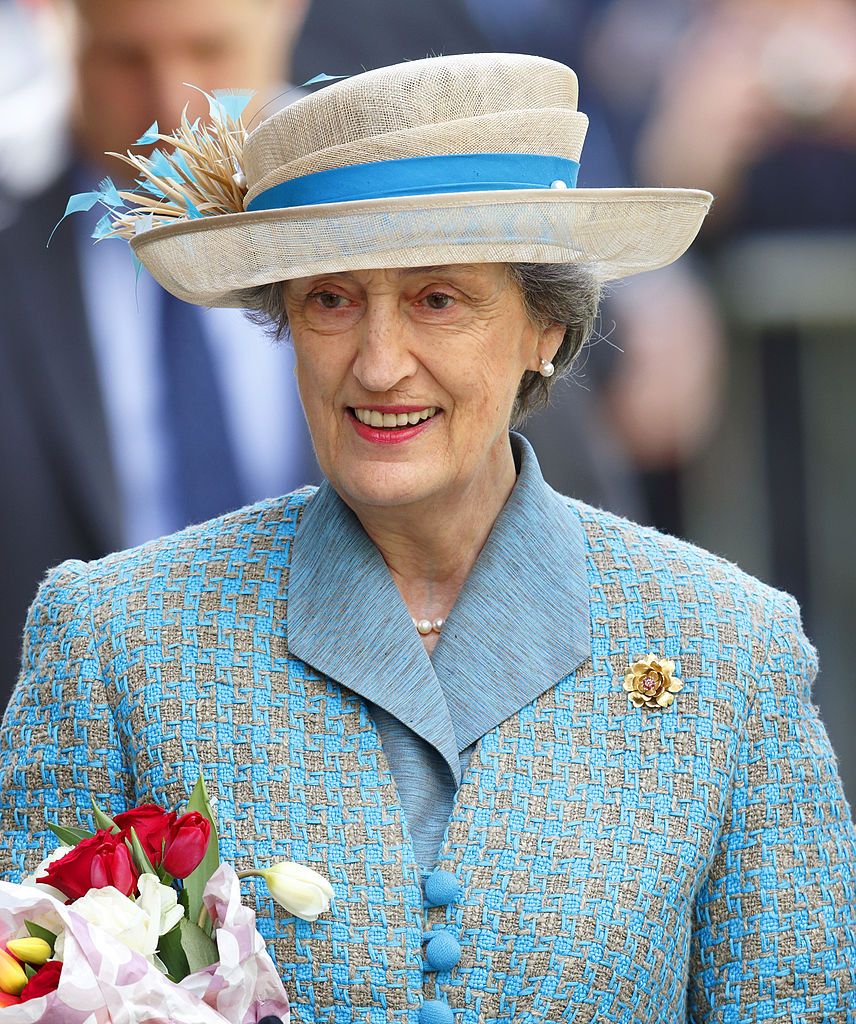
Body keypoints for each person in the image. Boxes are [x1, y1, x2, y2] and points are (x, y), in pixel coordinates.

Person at [0, 53, 853, 1023]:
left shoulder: (728, 649)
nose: (378, 363)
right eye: (331, 300)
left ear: (545, 329)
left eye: (437, 300)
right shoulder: (117, 639)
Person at [0, 0, 317, 710]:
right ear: (51, 20)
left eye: (211, 53)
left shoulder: (404, 224)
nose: (171, 109)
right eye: (124, 59)